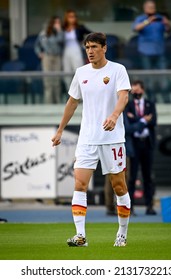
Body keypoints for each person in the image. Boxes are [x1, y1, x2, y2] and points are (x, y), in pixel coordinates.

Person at [52, 32, 131, 247]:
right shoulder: (81, 72)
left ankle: (122, 233)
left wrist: (114, 116)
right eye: (87, 47)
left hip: (112, 138)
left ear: (105, 48)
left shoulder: (117, 70)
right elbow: (72, 102)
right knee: (79, 184)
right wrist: (60, 130)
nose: (90, 51)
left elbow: (124, 96)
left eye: (94, 46)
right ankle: (80, 236)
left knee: (119, 187)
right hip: (87, 139)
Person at [124, 80, 157, 215]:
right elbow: (129, 126)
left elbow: (153, 121)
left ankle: (149, 205)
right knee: (132, 177)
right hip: (134, 144)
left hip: (147, 144)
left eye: (137, 91)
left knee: (147, 176)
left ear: (142, 90)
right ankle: (130, 207)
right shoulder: (128, 105)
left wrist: (136, 119)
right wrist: (143, 120)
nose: (135, 93)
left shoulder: (150, 104)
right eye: (133, 91)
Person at [132, 0, 171, 103]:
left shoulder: (160, 18)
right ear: (145, 8)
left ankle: (166, 100)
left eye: (153, 7)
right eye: (149, 7)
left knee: (163, 76)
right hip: (145, 52)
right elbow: (136, 28)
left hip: (159, 51)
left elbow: (168, 30)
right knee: (148, 77)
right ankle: (151, 100)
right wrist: (148, 21)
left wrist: (167, 24)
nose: (152, 9)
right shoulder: (141, 18)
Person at [34, 16, 64, 103]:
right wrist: (39, 53)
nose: (57, 24)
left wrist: (59, 31)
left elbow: (61, 41)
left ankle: (58, 102)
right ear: (51, 23)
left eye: (59, 22)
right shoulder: (44, 33)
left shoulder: (60, 33)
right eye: (56, 22)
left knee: (57, 81)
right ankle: (48, 103)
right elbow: (37, 45)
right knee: (48, 81)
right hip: (47, 57)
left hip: (57, 57)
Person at [62, 10, 91, 88]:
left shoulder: (80, 27)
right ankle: (69, 93)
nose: (72, 19)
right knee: (67, 72)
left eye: (74, 16)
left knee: (78, 70)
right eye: (70, 17)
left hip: (76, 50)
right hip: (65, 51)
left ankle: (80, 94)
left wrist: (85, 43)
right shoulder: (63, 28)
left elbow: (91, 34)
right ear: (66, 18)